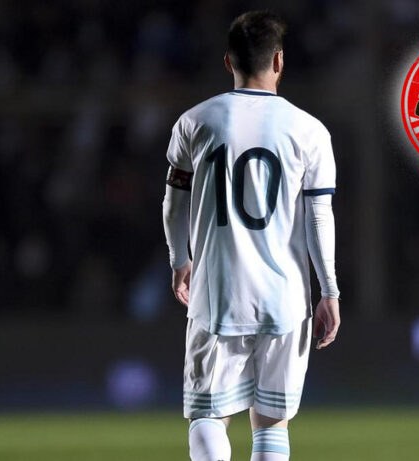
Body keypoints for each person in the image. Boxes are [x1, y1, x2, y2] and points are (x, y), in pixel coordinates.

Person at [162, 10, 341, 461]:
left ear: (228, 61)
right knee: (272, 422)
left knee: (207, 415)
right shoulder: (309, 130)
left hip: (217, 294)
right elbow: (319, 216)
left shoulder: (194, 121)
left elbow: (174, 203)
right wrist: (329, 290)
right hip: (285, 298)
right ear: (279, 60)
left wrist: (180, 260)